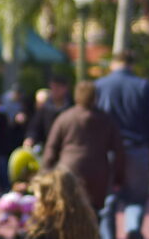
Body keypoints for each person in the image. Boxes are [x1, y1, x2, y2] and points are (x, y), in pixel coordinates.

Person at [94, 50, 149, 239]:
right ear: (131, 64)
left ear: (113, 63)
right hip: (136, 149)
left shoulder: (100, 86)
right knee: (136, 198)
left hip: (108, 151)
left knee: (107, 201)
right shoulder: (142, 86)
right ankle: (133, 230)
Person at [42, 80, 124, 211]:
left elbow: (51, 148)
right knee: (93, 213)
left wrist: (45, 172)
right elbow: (119, 151)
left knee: (67, 212)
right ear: (95, 97)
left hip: (68, 170)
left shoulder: (65, 118)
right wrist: (118, 178)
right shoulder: (106, 120)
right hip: (97, 174)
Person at [24, 75, 71, 150]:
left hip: (66, 148)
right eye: (53, 88)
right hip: (47, 148)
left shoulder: (71, 108)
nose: (54, 91)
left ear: (65, 89)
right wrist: (30, 138)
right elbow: (35, 127)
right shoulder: (45, 108)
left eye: (57, 88)